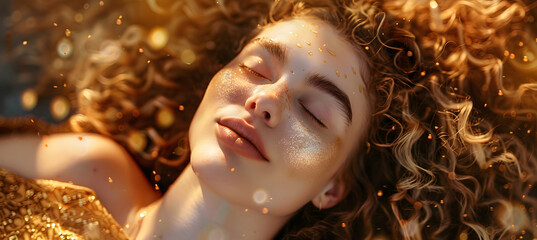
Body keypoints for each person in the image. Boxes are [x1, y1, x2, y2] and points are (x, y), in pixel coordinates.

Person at [1, 0, 536, 239]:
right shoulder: (83, 171)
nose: (267, 101)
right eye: (257, 68)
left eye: (314, 110)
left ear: (332, 188)